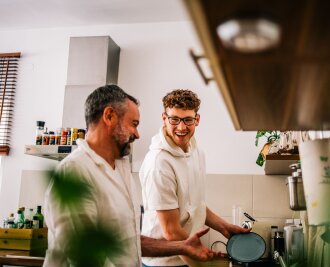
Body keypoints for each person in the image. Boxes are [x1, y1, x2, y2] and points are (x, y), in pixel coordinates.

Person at [43, 85, 217, 267]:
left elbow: (128, 241)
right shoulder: (75, 172)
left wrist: (182, 246)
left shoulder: (120, 167)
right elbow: (82, 254)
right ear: (109, 116)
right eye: (133, 124)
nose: (137, 134)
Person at [140, 89, 249, 267]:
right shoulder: (159, 162)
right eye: (174, 119)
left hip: (186, 257)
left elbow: (195, 205)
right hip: (163, 263)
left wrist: (224, 227)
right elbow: (171, 231)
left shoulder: (196, 152)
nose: (181, 127)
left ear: (197, 120)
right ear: (164, 118)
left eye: (188, 120)